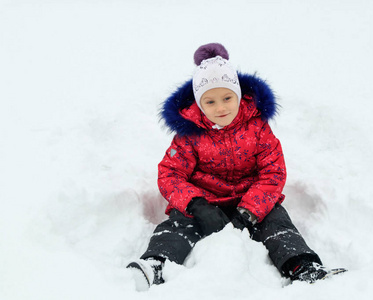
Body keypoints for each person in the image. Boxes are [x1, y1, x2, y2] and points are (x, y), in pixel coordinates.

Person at [127, 43, 343, 291]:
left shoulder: (258, 127)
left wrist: (250, 211)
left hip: (250, 200)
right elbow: (170, 174)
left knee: (277, 223)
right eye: (209, 102)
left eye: (227, 98)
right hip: (204, 201)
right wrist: (196, 205)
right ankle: (155, 264)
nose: (220, 108)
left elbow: (273, 173)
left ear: (239, 96)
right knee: (177, 226)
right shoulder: (190, 134)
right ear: (199, 104)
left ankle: (303, 267)